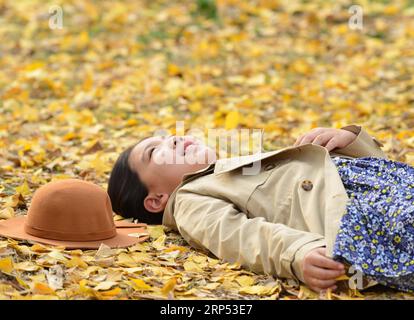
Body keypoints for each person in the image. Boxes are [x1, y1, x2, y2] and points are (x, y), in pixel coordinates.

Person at [108, 124, 414, 293]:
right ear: (157, 199)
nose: (171, 138)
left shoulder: (229, 170)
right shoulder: (190, 200)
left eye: (165, 137)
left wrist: (346, 140)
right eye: (154, 150)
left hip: (385, 186)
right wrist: (296, 253)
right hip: (365, 214)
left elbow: (375, 168)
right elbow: (239, 236)